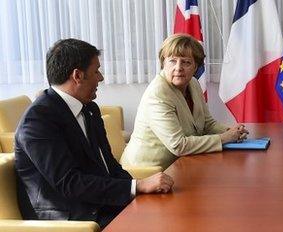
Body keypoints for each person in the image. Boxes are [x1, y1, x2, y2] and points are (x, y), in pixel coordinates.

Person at [14, 38, 174, 228]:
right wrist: (136, 186)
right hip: (70, 218)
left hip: (98, 203)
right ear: (78, 75)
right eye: (96, 70)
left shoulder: (90, 109)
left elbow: (109, 166)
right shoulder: (37, 121)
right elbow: (69, 183)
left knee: (169, 213)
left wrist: (138, 187)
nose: (101, 78)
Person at [120, 34, 247, 169]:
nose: (178, 67)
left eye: (186, 62)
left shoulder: (193, 83)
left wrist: (231, 131)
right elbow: (178, 145)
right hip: (147, 170)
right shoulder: (158, 93)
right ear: (163, 63)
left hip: (179, 164)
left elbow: (207, 124)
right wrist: (225, 138)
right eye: (172, 61)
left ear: (196, 67)